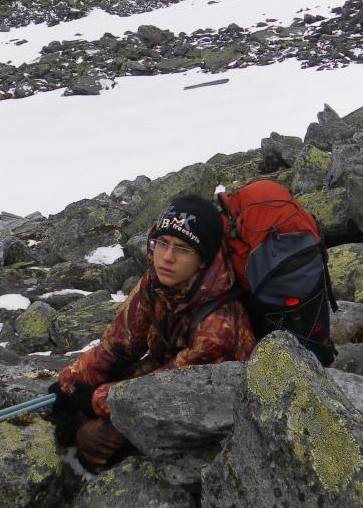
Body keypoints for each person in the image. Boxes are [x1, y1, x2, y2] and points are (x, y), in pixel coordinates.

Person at [49, 194, 255, 469]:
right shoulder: (156, 281)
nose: (167, 257)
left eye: (183, 249)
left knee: (95, 440)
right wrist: (70, 381)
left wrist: (98, 400)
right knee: (78, 403)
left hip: (206, 407)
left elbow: (165, 392)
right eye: (162, 243)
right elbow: (118, 345)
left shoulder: (219, 324)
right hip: (167, 374)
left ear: (203, 260)